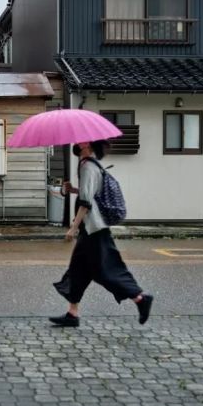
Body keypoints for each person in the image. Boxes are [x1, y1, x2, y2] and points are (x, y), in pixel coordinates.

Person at [49, 139, 153, 328]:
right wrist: (74, 189)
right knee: (78, 270)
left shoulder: (88, 166)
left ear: (87, 145)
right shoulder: (89, 164)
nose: (77, 142)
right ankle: (72, 314)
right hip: (92, 229)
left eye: (82, 141)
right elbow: (89, 193)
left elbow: (86, 203)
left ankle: (140, 299)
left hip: (93, 229)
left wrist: (73, 227)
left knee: (106, 270)